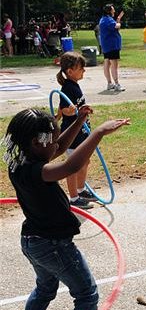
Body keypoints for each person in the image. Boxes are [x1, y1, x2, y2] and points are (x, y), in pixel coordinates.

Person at [2, 108, 129, 310]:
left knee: (46, 288)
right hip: (53, 245)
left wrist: (79, 120)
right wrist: (99, 132)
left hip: (32, 241)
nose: (56, 145)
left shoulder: (21, 163)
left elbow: (58, 148)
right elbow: (71, 165)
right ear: (36, 143)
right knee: (86, 293)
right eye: (50, 140)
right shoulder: (37, 171)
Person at [56, 51, 96, 209]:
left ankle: (81, 190)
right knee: (73, 166)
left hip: (82, 131)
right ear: (70, 71)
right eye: (81, 68)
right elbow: (65, 109)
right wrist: (71, 111)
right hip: (72, 133)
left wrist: (83, 110)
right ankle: (73, 198)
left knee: (85, 161)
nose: (84, 71)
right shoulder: (67, 88)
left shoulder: (74, 86)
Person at [99, 4, 125, 92]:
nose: (114, 11)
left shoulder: (103, 19)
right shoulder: (108, 20)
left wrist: (117, 19)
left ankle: (109, 83)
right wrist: (119, 20)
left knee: (107, 63)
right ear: (109, 11)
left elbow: (115, 26)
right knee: (114, 65)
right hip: (112, 45)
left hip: (106, 45)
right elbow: (117, 26)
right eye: (112, 10)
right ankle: (117, 84)